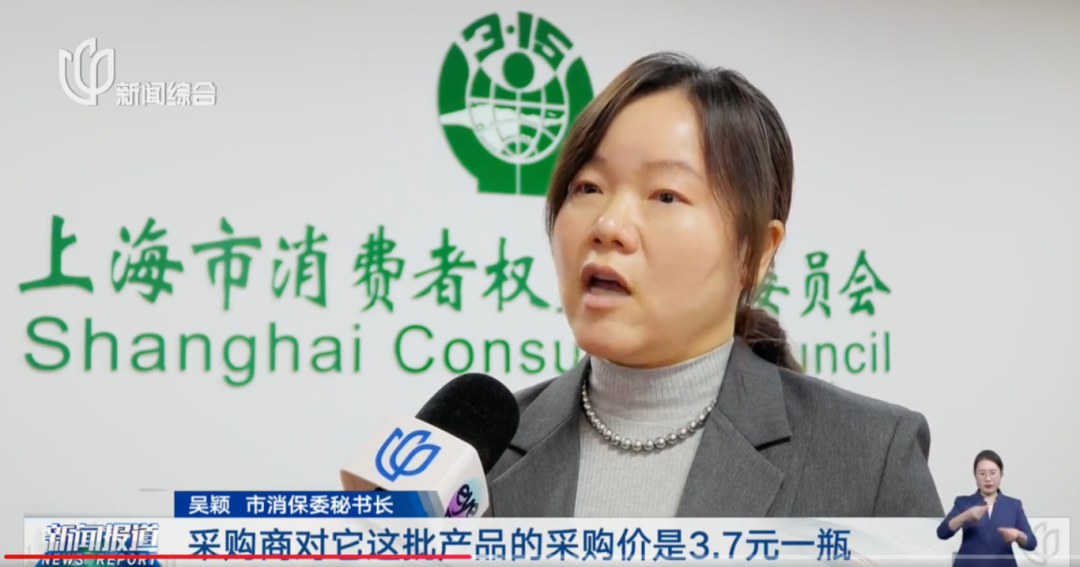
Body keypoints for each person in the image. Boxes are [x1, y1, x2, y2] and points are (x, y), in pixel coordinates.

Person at [485, 51, 943, 518]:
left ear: (756, 252)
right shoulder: (476, 456)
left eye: (666, 195)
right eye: (588, 188)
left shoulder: (870, 458)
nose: (608, 225)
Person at [937, 450, 1037, 566]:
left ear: (1001, 474)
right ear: (975, 476)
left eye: (993, 473)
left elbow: (1031, 543)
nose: (988, 478)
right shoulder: (964, 502)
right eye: (982, 473)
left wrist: (1018, 536)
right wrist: (965, 516)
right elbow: (942, 533)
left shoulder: (1013, 505)